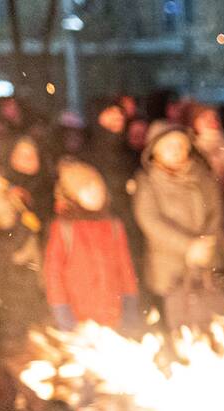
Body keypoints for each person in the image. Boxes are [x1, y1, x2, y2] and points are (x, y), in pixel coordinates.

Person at [132, 121, 224, 332]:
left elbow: (215, 211)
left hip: (205, 265)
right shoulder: (147, 182)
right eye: (168, 147)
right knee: (175, 330)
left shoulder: (203, 176)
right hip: (169, 268)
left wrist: (206, 243)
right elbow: (150, 220)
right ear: (155, 152)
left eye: (180, 146)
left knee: (208, 328)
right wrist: (188, 246)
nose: (176, 152)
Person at [42, 159, 140, 333]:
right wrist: (61, 310)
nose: (95, 193)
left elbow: (125, 266)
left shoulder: (114, 225)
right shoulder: (64, 228)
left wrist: (130, 301)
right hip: (79, 317)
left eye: (97, 188)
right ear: (72, 195)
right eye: (86, 189)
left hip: (113, 313)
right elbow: (53, 273)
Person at [0, 178, 47, 411]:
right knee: (10, 356)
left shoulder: (24, 226)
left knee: (27, 351)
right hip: (5, 303)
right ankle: (8, 405)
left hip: (26, 300)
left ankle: (35, 402)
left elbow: (34, 261)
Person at [86, 98, 143, 286]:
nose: (117, 116)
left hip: (132, 220)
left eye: (120, 112)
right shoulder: (89, 151)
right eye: (109, 112)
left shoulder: (129, 151)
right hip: (105, 222)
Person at [1, 134, 53, 232]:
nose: (24, 160)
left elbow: (41, 222)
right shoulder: (3, 179)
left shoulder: (46, 187)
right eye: (19, 154)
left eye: (30, 156)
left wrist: (28, 201)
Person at [187, 104, 224, 185]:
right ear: (194, 122)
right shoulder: (191, 149)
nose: (212, 121)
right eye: (204, 117)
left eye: (215, 117)